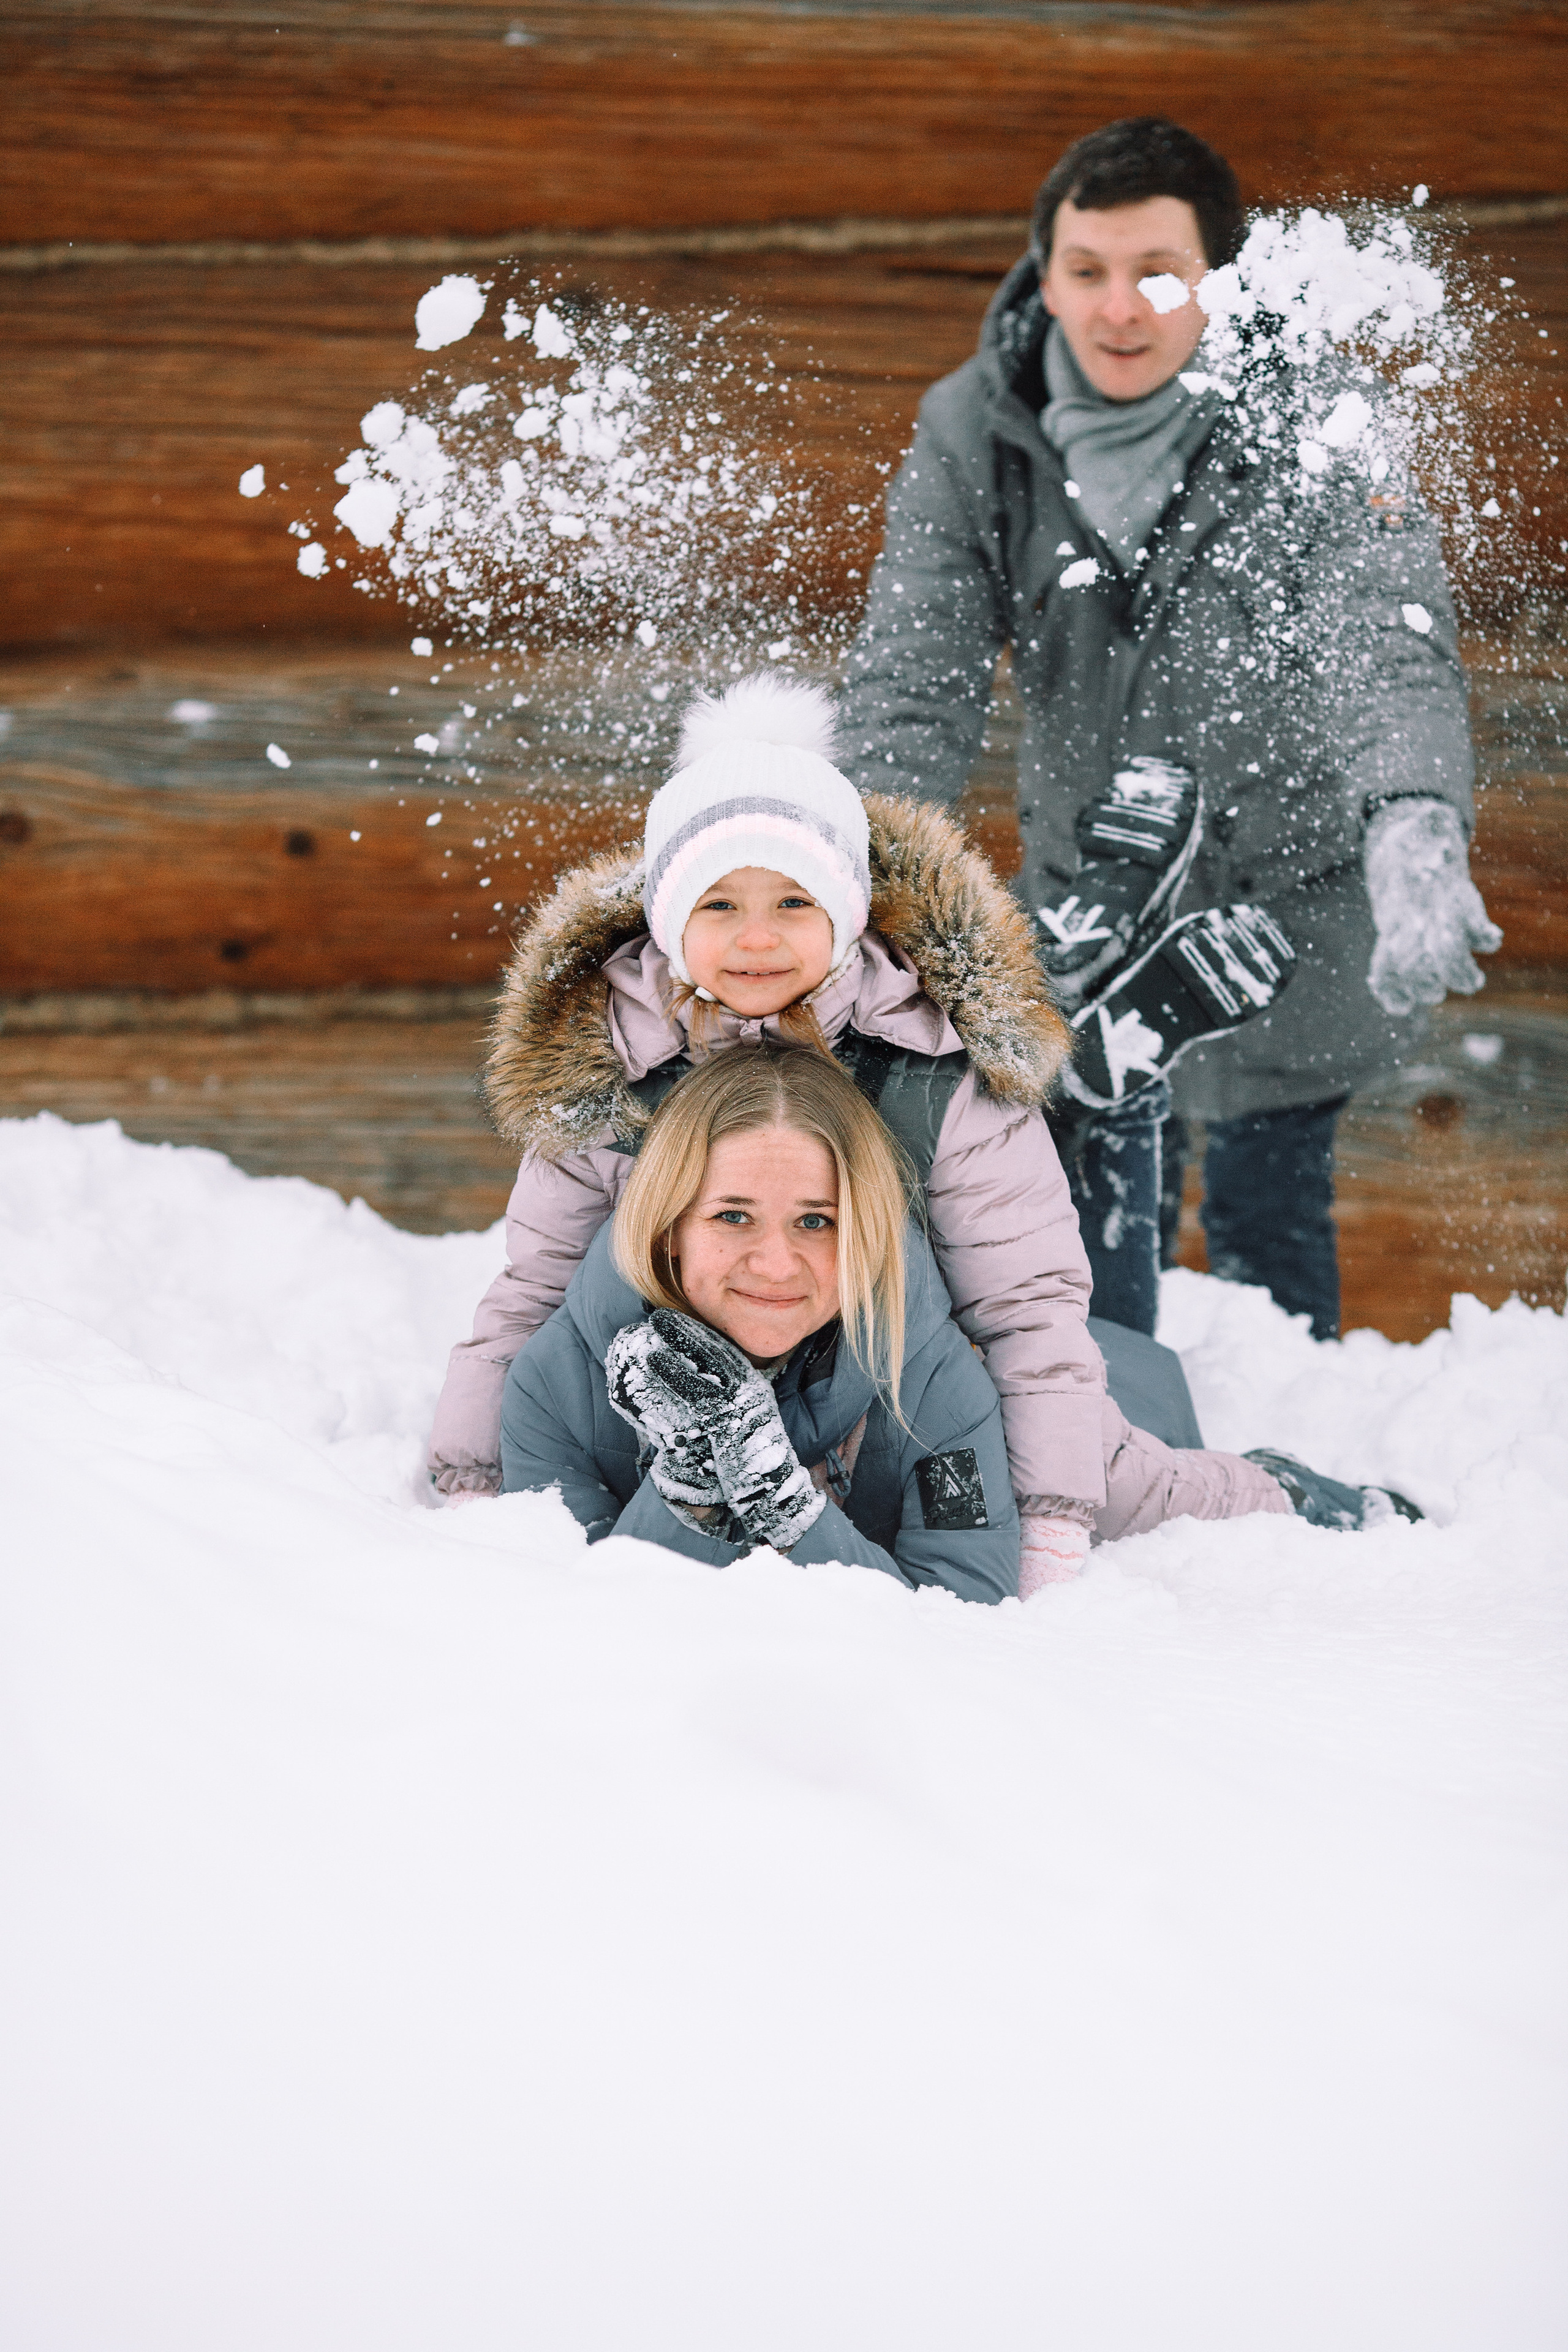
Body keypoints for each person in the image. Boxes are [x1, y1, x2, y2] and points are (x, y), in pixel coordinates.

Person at [837, 114, 1499, 1341]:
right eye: (1083, 272)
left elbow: (1381, 633)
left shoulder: (1321, 418)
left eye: (1156, 274)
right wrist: (852, 876)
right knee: (1087, 1229)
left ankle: (1265, 1488)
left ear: (1219, 280)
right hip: (1092, 901)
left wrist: (1409, 811)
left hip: (1283, 902)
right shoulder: (975, 427)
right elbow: (909, 681)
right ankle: (1107, 1469)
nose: (1116, 311)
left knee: (1263, 1218)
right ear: (1044, 275)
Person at [430, 669, 1111, 1588]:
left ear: (850, 911)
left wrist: (1051, 1512)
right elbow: (541, 1289)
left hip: (906, 1389)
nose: (758, 939)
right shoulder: (608, 1066)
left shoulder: (936, 1068)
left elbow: (1026, 1302)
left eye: (794, 902)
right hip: (686, 1379)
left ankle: (1293, 1496)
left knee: (1133, 1475)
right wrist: (478, 1473)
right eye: (719, 905)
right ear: (670, 920)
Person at [499, 1044, 1412, 1599]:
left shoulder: (934, 1376)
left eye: (819, 1221)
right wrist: (695, 1484)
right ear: (667, 1221)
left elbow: (957, 1610)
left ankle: (1293, 1489)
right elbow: (587, 1619)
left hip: (1111, 1393)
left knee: (1138, 1491)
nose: (776, 1264)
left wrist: (781, 1499)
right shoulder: (558, 1387)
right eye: (733, 1216)